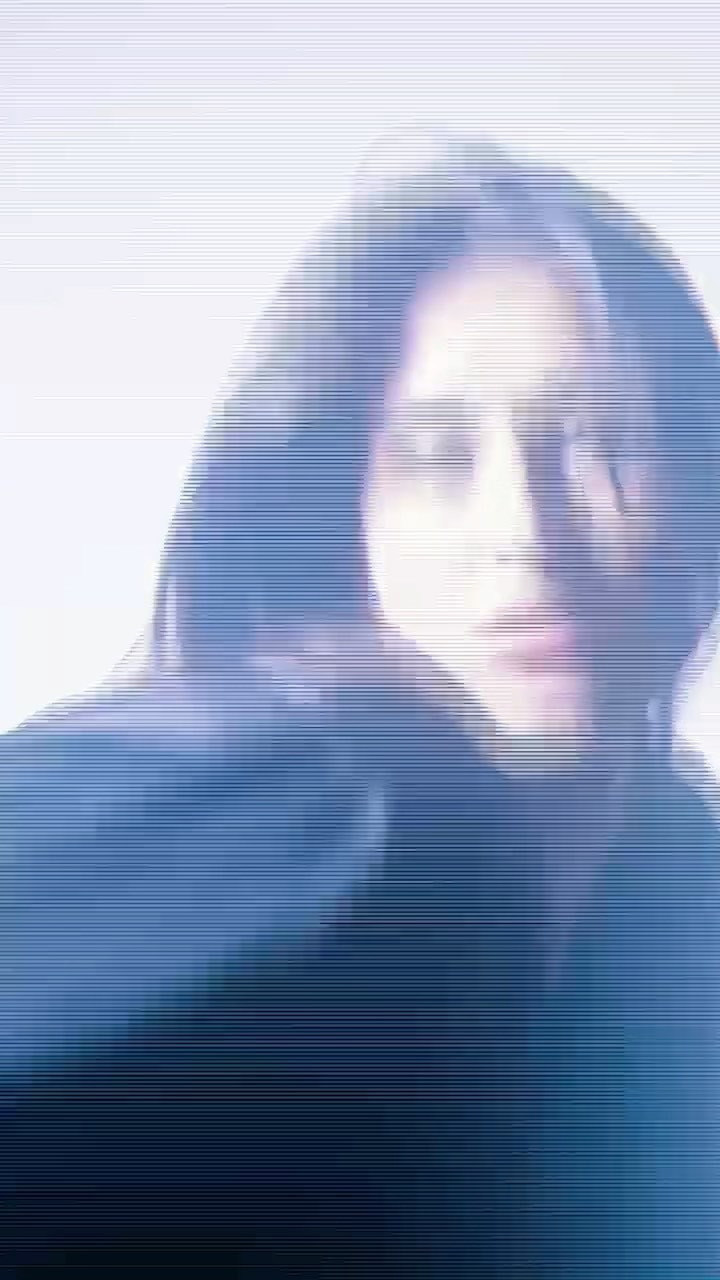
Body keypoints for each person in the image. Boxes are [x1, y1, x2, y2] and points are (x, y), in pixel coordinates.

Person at [4, 125, 720, 1278]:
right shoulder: (307, 789)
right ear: (342, 518)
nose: (525, 532)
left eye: (604, 442)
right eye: (437, 457)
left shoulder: (677, 877)